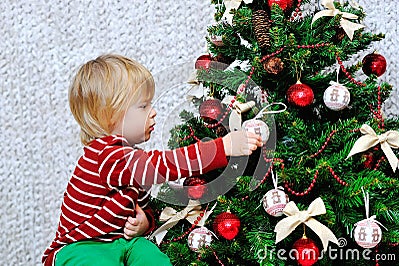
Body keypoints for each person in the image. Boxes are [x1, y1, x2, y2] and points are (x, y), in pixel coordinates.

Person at [42, 54, 262, 266]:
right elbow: (163, 165)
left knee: (151, 255)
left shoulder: (130, 157)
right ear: (110, 114)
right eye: (143, 106)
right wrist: (222, 147)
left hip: (123, 243)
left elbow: (141, 204)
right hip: (81, 247)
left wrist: (145, 222)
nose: (154, 112)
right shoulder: (106, 155)